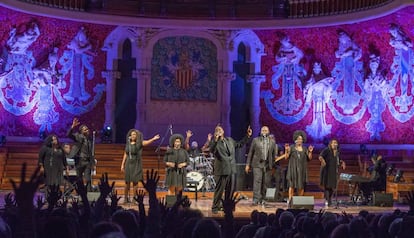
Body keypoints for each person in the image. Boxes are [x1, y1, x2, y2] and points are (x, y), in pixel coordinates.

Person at [209, 124, 252, 213]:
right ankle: (215, 207)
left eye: (220, 130)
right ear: (215, 133)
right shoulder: (214, 142)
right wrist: (216, 140)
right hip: (221, 170)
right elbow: (212, 150)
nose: (219, 131)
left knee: (230, 189)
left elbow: (239, 144)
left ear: (223, 131)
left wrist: (247, 136)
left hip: (231, 169)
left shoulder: (230, 140)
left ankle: (227, 206)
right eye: (217, 130)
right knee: (219, 190)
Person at [120, 129, 160, 203]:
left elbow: (146, 142)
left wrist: (153, 139)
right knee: (127, 182)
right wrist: (122, 164)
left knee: (135, 182)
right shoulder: (128, 144)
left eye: (134, 134)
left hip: (136, 163)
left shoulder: (139, 143)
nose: (133, 136)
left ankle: (134, 199)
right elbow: (125, 153)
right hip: (128, 163)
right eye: (132, 134)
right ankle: (125, 198)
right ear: (130, 136)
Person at [245, 126, 278, 205]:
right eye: (263, 130)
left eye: (266, 130)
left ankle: (264, 199)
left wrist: (273, 165)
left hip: (267, 165)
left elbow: (273, 155)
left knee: (266, 182)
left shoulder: (272, 142)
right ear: (260, 131)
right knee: (257, 181)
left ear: (268, 131)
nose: (264, 131)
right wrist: (247, 164)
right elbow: (250, 153)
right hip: (257, 164)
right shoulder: (255, 140)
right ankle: (256, 199)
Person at [284, 130, 314, 206]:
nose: (299, 140)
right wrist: (286, 150)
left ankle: (299, 201)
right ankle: (290, 201)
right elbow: (286, 157)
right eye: (298, 139)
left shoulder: (305, 149)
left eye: (301, 139)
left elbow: (309, 158)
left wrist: (310, 152)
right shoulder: (291, 147)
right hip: (293, 169)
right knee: (292, 185)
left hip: (301, 170)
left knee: (301, 186)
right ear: (295, 139)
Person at [67, 117, 95, 191]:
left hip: (87, 162)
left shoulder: (89, 140)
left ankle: (89, 194)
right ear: (81, 131)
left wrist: (92, 163)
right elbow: (69, 135)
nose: (87, 130)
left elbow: (91, 152)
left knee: (88, 179)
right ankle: (81, 193)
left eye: (87, 129)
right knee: (79, 179)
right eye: (85, 129)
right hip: (79, 161)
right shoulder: (78, 136)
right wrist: (72, 126)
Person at [319, 138, 346, 207]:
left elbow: (338, 160)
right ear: (330, 144)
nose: (334, 144)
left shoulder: (338, 152)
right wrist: (323, 161)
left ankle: (329, 199)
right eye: (333, 143)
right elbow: (320, 156)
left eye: (336, 143)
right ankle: (328, 201)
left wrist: (342, 163)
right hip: (326, 171)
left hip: (334, 171)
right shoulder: (327, 150)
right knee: (327, 186)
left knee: (333, 187)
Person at [38, 134, 67, 198]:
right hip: (49, 168)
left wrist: (66, 167)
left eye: (56, 139)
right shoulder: (45, 148)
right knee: (49, 183)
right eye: (53, 140)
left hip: (58, 168)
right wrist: (41, 167)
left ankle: (55, 197)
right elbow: (40, 158)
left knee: (57, 183)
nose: (55, 141)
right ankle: (48, 197)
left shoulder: (60, 149)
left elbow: (64, 159)